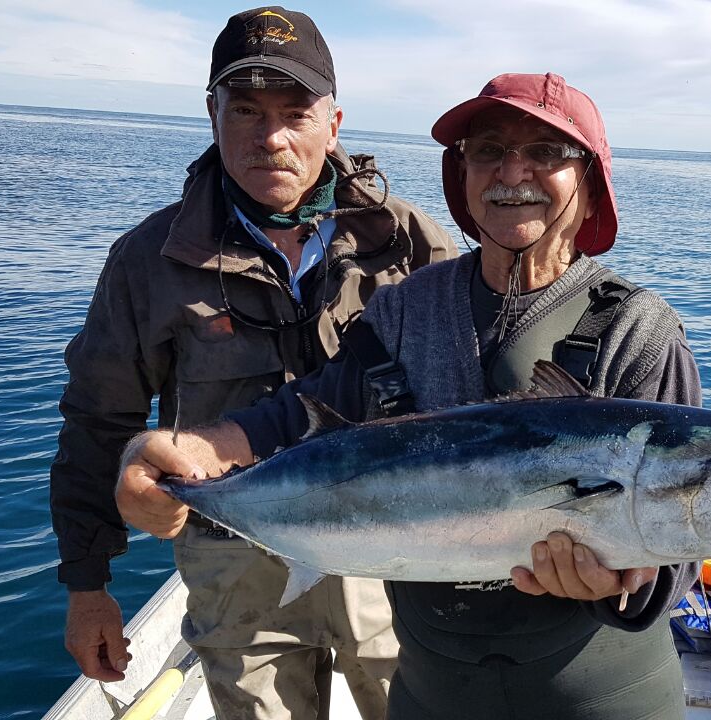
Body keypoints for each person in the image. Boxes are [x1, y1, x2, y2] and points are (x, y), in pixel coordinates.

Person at [117, 72, 700, 719]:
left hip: (606, 701)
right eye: (488, 150)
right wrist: (177, 451)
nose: (514, 172)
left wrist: (622, 585)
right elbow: (297, 413)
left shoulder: (638, 330)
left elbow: (676, 564)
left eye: (546, 153)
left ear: (590, 181)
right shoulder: (405, 310)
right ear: (463, 175)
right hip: (431, 697)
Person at [50, 6, 455, 719]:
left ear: (333, 123)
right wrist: (89, 588)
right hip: (237, 572)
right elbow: (96, 420)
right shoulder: (148, 262)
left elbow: (478, 395)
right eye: (244, 110)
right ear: (211, 113)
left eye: (295, 112)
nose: (270, 138)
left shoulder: (411, 242)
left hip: (396, 556)